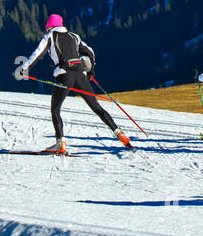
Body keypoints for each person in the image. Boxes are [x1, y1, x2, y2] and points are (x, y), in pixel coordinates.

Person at [17, 14, 131, 154]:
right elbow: (90, 51)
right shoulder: (74, 36)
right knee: (97, 108)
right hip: (80, 75)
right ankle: (120, 134)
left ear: (50, 26)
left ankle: (60, 144)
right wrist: (90, 69)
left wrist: (24, 69)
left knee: (55, 110)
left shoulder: (50, 36)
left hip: (64, 75)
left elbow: (37, 53)